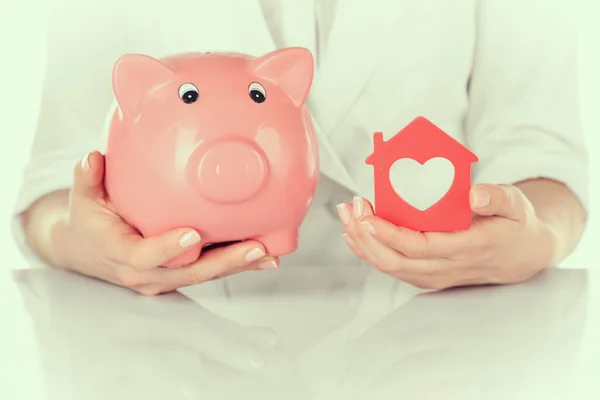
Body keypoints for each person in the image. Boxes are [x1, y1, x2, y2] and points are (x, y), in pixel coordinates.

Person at [14, 0, 589, 296]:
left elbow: (540, 148)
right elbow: (50, 188)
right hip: (173, 345)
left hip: (436, 339)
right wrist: (85, 242)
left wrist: (535, 238)